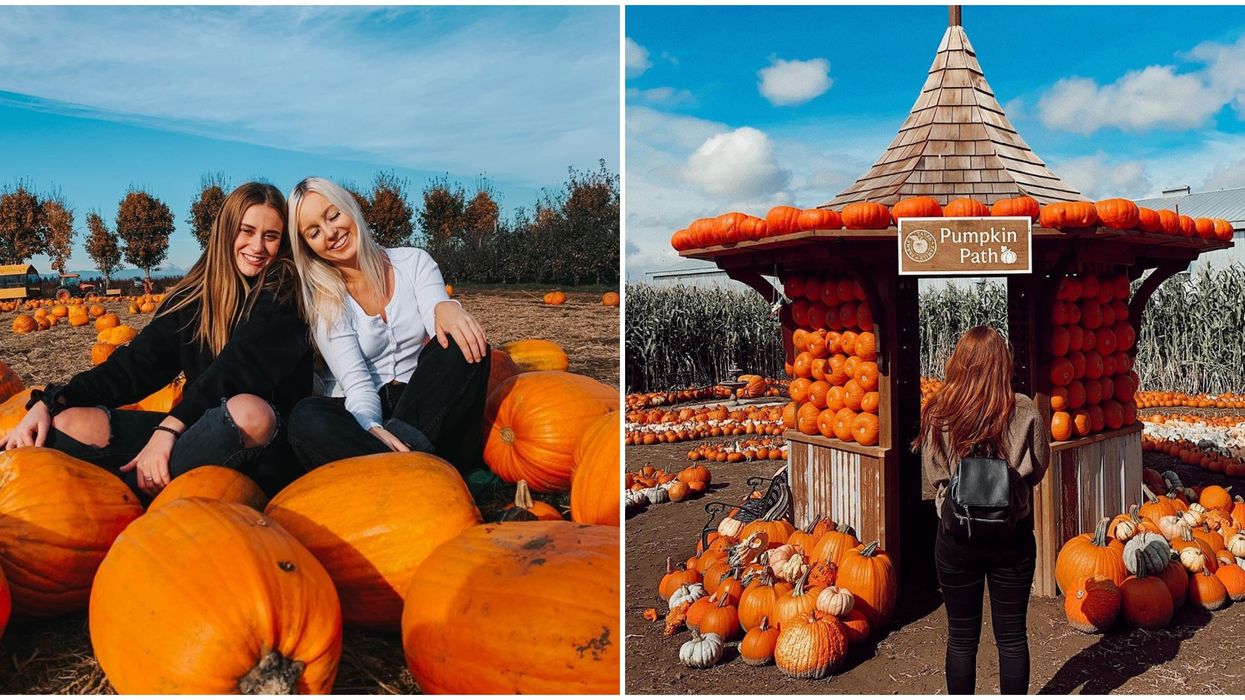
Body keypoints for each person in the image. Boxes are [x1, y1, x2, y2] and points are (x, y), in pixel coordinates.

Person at [1, 182, 312, 498]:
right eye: (246, 231)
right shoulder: (194, 298)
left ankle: (133, 499)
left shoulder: (287, 291)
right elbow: (135, 366)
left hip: (264, 451)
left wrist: (168, 429)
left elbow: (238, 368)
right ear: (225, 232)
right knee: (68, 423)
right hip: (196, 431)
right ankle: (132, 491)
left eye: (270, 236)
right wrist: (53, 400)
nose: (257, 245)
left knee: (249, 411)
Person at [284, 177, 493, 491]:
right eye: (313, 232)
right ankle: (425, 472)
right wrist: (370, 426)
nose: (330, 233)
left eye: (333, 216)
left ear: (350, 208)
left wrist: (447, 307)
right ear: (308, 248)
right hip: (363, 412)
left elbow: (438, 317)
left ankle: (392, 476)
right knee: (306, 418)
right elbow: (357, 385)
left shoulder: (413, 262)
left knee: (465, 343)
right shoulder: (323, 298)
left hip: (423, 401)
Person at [913, 326, 1049, 695]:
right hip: (1012, 538)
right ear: (1003, 363)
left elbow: (936, 476)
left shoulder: (940, 410)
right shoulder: (1024, 410)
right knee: (1011, 637)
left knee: (960, 638)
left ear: (959, 363)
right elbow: (1037, 469)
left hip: (956, 538)